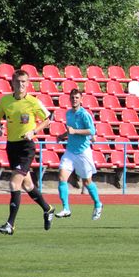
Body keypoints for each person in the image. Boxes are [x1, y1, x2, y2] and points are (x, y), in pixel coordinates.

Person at [0, 69, 55, 235]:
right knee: (28, 185)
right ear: (12, 83)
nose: (21, 85)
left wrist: (34, 132)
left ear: (28, 83)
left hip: (26, 147)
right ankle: (48, 209)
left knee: (14, 183)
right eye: (18, 82)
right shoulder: (5, 101)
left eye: (24, 82)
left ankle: (10, 224)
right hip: (11, 146)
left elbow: (49, 119)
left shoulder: (33, 101)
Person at [55, 88, 102, 220]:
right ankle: (66, 208)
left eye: (77, 98)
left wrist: (75, 131)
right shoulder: (68, 113)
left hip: (83, 151)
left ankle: (98, 204)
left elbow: (91, 130)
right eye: (72, 98)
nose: (74, 100)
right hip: (70, 151)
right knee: (61, 177)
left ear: (81, 100)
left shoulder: (84, 114)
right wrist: (62, 135)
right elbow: (70, 130)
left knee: (87, 181)